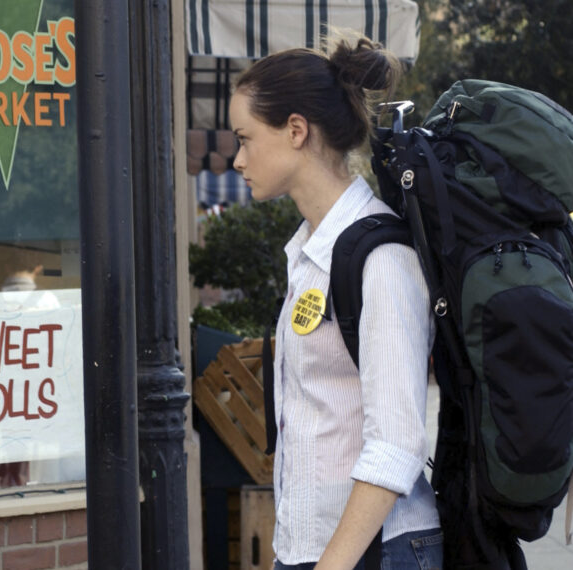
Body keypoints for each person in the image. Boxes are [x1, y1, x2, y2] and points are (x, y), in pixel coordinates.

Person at [229, 36, 442, 569]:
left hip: (376, 553)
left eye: (246, 138)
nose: (237, 159)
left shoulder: (382, 258)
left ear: (296, 131)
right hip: (315, 550)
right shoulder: (310, 253)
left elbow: (396, 443)